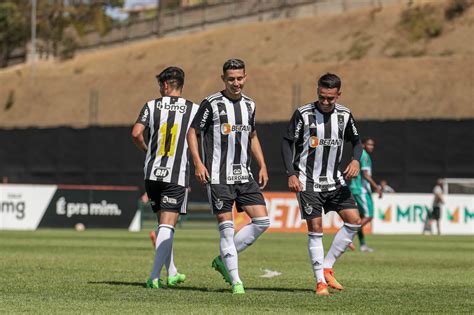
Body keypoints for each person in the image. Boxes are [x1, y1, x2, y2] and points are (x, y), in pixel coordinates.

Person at [187, 59, 270, 294]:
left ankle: (223, 258)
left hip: (244, 174)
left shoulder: (250, 105)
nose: (236, 83)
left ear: (246, 77)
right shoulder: (211, 104)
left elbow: (252, 136)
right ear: (223, 79)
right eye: (231, 79)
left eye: (240, 78)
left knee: (263, 222)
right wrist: (198, 163)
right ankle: (236, 282)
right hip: (217, 176)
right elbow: (192, 132)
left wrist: (262, 164)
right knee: (226, 228)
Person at [281, 73, 362, 295]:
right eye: (322, 97)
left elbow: (357, 142)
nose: (325, 102)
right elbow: (287, 143)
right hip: (308, 182)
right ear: (318, 91)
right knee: (316, 229)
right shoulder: (304, 114)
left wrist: (355, 159)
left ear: (338, 95)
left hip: (334, 181)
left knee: (354, 221)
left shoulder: (345, 115)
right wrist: (291, 173)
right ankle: (320, 282)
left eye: (330, 98)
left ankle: (327, 266)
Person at [131, 66, 199, 289]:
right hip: (175, 174)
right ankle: (153, 277)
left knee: (163, 225)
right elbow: (197, 140)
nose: (159, 88)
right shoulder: (194, 109)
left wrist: (147, 150)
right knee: (168, 226)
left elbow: (136, 133)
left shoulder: (151, 106)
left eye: (160, 84)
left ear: (166, 85)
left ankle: (172, 272)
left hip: (152, 174)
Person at [349, 138, 382, 253]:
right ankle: (347, 238)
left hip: (355, 188)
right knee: (369, 216)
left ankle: (362, 245)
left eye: (373, 145)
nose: (371, 146)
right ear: (363, 145)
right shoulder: (365, 155)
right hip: (361, 190)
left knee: (359, 219)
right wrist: (377, 187)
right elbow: (365, 174)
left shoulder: (358, 155)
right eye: (369, 144)